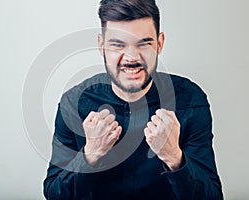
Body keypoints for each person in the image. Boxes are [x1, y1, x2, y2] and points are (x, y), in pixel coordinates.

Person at [43, 0, 223, 199]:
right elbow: (54, 194)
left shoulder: (190, 100)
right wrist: (90, 155)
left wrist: (174, 157)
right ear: (102, 47)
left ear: (159, 44)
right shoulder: (74, 104)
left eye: (144, 44)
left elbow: (212, 196)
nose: (131, 57)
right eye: (117, 45)